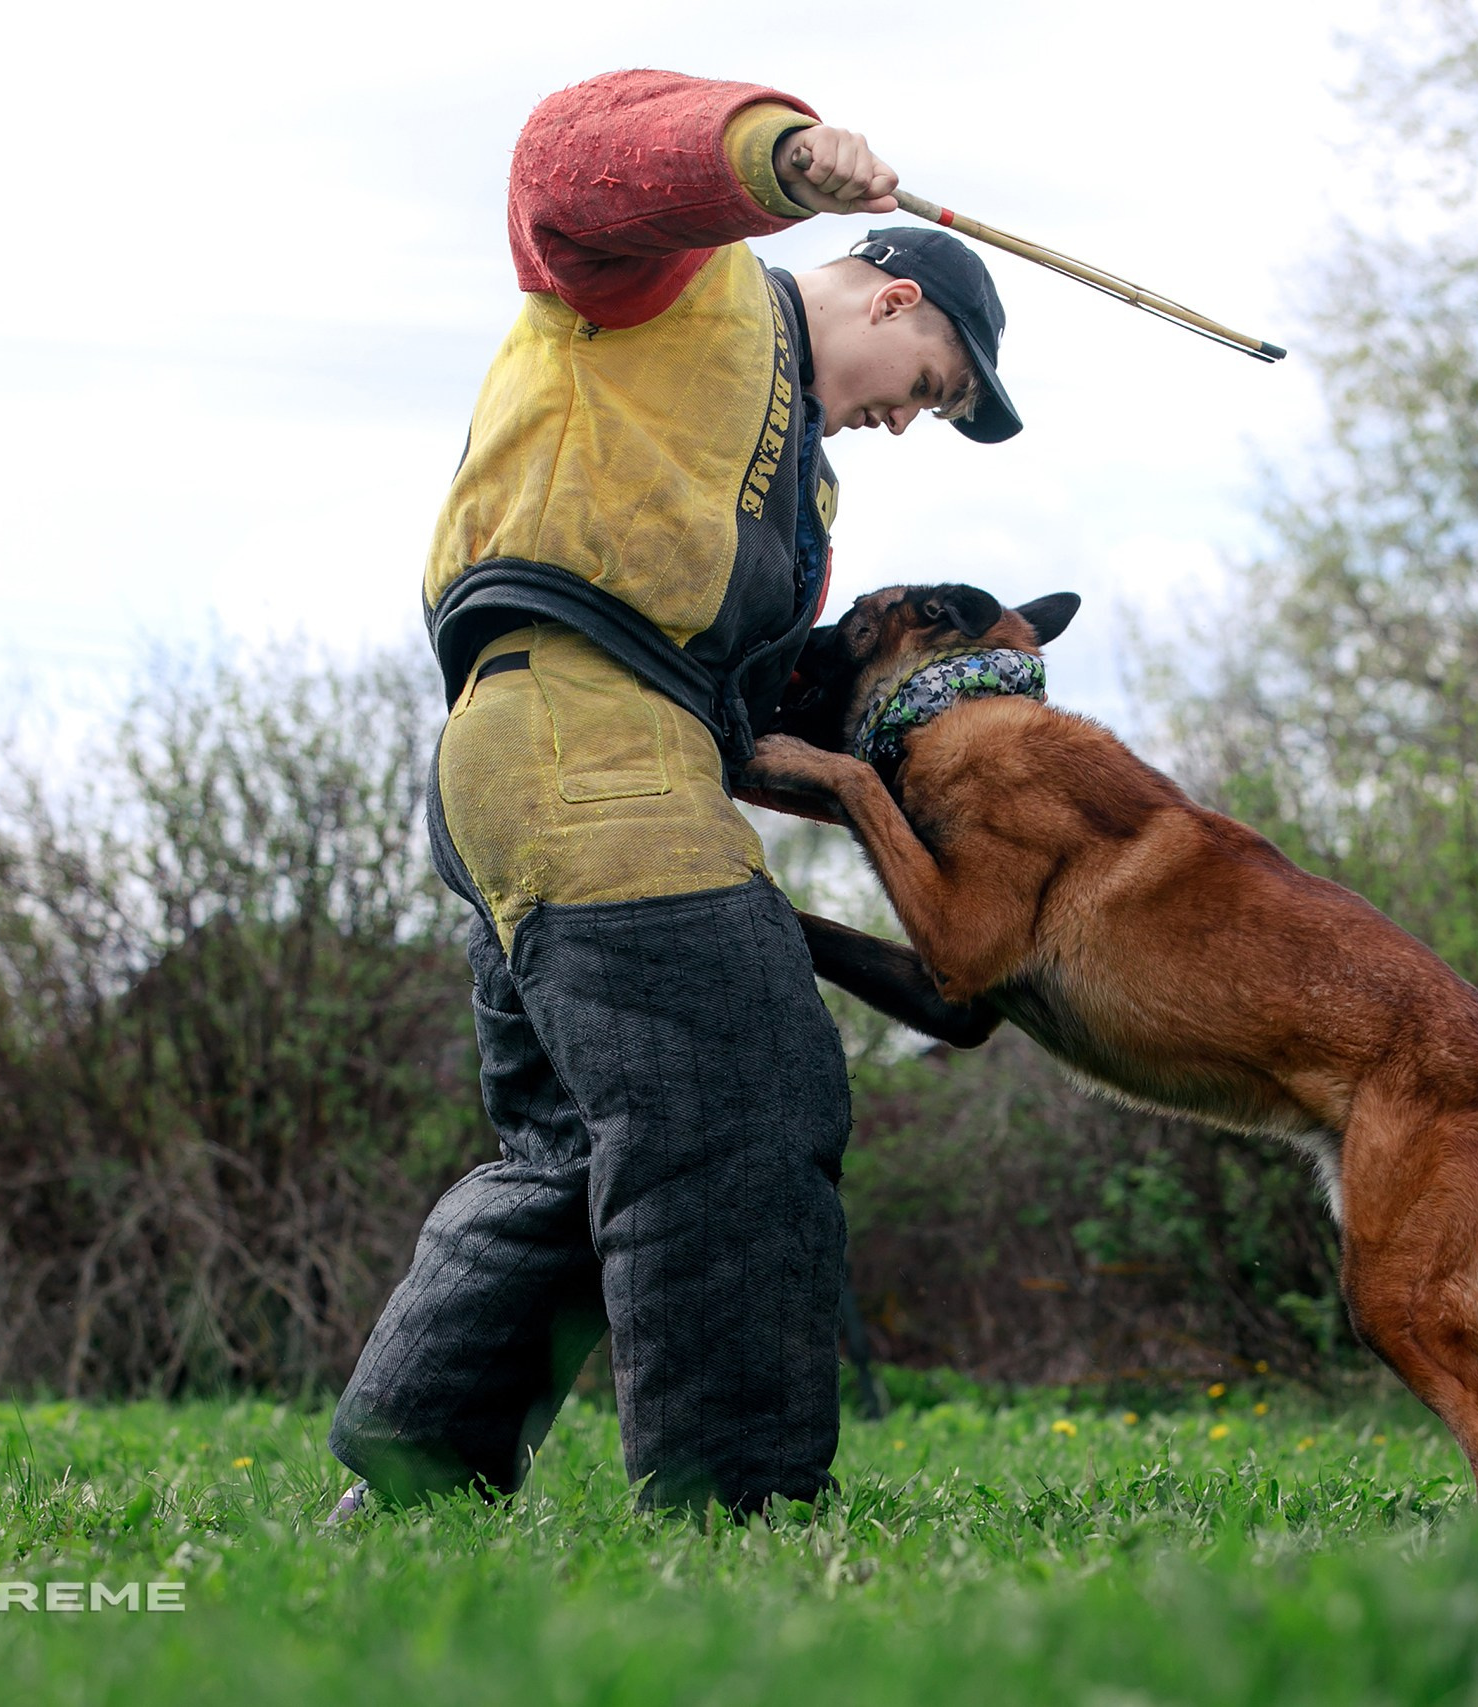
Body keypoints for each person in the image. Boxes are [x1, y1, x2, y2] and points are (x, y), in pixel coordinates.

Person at [325, 67, 1021, 1521]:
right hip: (580, 741)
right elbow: (561, 165)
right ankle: (738, 1511)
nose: (911, 422)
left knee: (583, 1153)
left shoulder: (800, 495)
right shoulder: (682, 282)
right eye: (934, 390)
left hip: (556, 760)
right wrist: (774, 154)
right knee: (742, 1099)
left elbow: (770, 702)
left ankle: (409, 1484)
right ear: (894, 302)